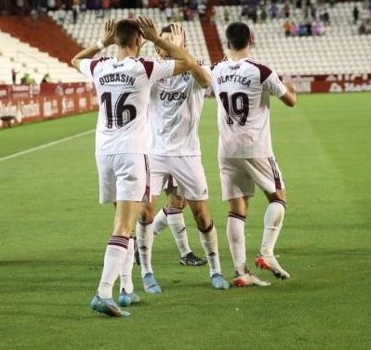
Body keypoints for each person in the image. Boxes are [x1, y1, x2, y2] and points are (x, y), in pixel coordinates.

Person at [71, 17, 196, 317]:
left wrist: (103, 42)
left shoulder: (99, 67)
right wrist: (160, 40)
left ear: (116, 39)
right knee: (124, 228)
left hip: (104, 153)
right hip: (131, 154)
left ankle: (126, 288)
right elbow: (189, 63)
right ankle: (103, 292)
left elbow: (75, 59)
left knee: (120, 222)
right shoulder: (143, 67)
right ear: (139, 40)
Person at [135, 24, 230, 294]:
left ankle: (215, 271)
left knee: (201, 214)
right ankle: (147, 273)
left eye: (167, 42)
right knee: (145, 211)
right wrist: (157, 44)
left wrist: (177, 49)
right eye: (158, 42)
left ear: (181, 43)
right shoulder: (152, 71)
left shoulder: (196, 67)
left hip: (187, 154)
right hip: (154, 153)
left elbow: (206, 82)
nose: (160, 46)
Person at [211, 21, 297, 287]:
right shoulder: (261, 71)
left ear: (227, 42)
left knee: (237, 209)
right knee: (278, 196)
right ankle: (266, 252)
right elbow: (290, 100)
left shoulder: (216, 70)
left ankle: (240, 271)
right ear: (251, 39)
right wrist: (290, 87)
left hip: (226, 149)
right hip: (255, 147)